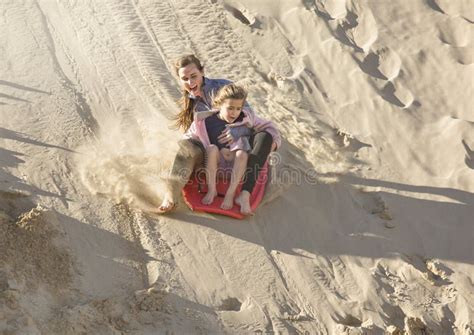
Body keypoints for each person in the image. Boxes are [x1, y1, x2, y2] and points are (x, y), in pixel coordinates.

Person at [156, 54, 280, 215]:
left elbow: (248, 117)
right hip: (212, 157)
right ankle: (170, 195)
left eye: (194, 76)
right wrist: (190, 150)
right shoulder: (195, 108)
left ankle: (244, 194)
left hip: (238, 153)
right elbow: (192, 135)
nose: (190, 82)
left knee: (264, 136)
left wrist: (241, 132)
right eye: (185, 79)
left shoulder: (222, 87)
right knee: (188, 148)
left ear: (202, 72)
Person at [185, 84, 280, 213]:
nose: (234, 113)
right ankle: (212, 190)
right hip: (215, 166)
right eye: (230, 108)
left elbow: (271, 128)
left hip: (237, 169)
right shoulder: (205, 121)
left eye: (238, 108)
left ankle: (230, 194)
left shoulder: (246, 118)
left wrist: (271, 145)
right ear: (219, 105)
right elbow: (188, 139)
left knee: (241, 154)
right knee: (212, 148)